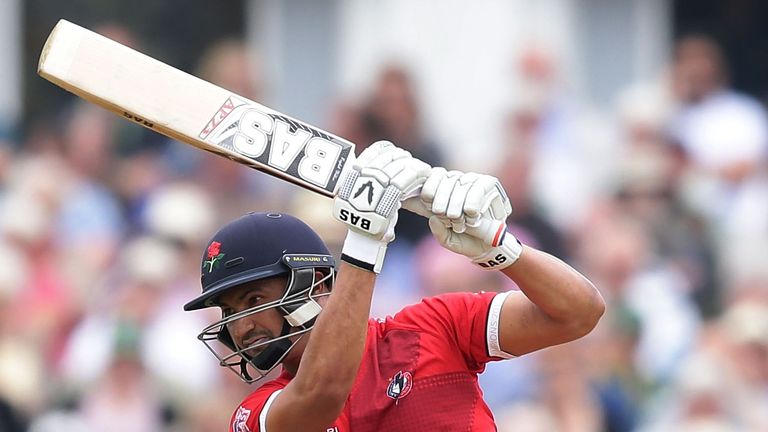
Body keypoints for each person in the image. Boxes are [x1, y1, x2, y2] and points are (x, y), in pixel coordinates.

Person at [183, 141, 605, 431]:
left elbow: (579, 312)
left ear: (314, 285)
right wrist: (366, 239)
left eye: (253, 300)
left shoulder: (434, 327)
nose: (239, 326)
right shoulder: (254, 413)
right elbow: (323, 393)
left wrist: (497, 246)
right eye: (228, 311)